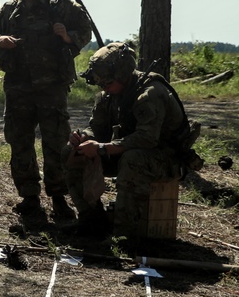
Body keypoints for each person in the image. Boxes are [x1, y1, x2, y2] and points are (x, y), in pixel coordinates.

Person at [0, 0, 93, 221]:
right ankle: (29, 198)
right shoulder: (9, 9)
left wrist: (68, 37)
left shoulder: (63, 6)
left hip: (52, 87)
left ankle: (58, 197)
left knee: (55, 144)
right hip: (18, 86)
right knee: (20, 142)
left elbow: (86, 30)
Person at [65, 42, 195, 235]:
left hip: (165, 159)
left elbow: (148, 139)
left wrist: (101, 147)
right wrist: (84, 136)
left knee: (132, 160)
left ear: (123, 75)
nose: (104, 88)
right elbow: (96, 128)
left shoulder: (150, 94)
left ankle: (125, 235)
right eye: (101, 84)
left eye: (107, 83)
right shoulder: (108, 96)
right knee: (72, 151)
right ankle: (92, 220)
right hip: (125, 152)